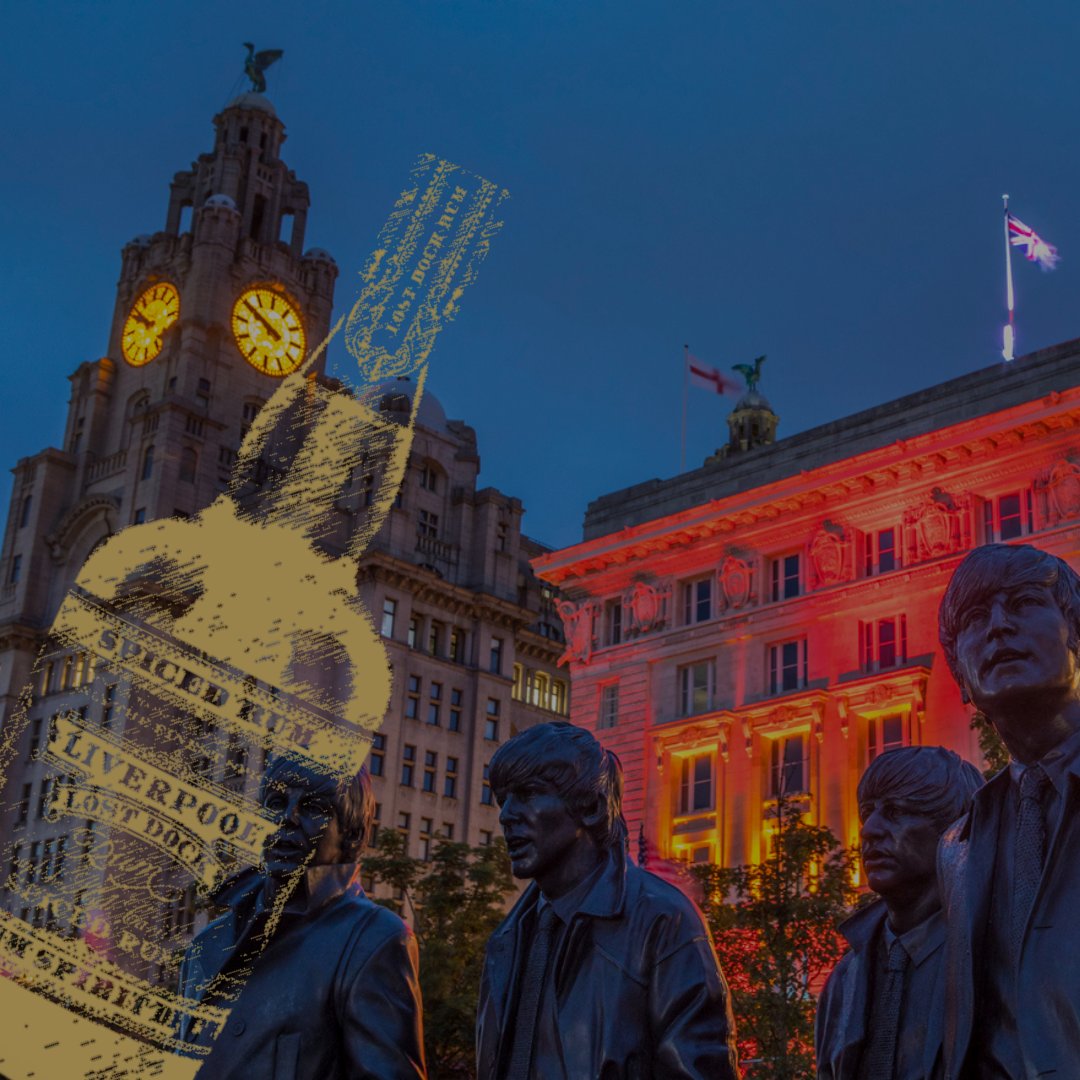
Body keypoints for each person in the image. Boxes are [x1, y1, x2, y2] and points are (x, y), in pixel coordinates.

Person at [476, 720, 739, 1079]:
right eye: (503, 800)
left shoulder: (662, 920)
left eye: (529, 793)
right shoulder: (506, 940)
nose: (506, 816)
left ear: (592, 807)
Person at [178, 758, 427, 1079]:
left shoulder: (375, 940)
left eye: (313, 808)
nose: (287, 818)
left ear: (351, 833)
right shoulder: (206, 946)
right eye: (276, 804)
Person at [937, 542, 1080, 1077]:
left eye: (1022, 603)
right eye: (976, 618)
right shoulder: (959, 845)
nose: (998, 627)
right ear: (962, 679)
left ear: (1076, 634)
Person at [815, 746, 982, 1079]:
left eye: (895, 812)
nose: (868, 830)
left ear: (954, 829)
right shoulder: (843, 981)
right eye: (867, 812)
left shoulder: (992, 958)